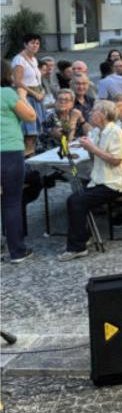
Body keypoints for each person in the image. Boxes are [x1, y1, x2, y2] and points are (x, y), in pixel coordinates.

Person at [58, 100, 122, 261]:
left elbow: (116, 160)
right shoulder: (100, 131)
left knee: (76, 200)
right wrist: (88, 148)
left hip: (116, 182)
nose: (90, 114)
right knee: (76, 196)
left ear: (103, 115)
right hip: (102, 179)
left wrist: (92, 148)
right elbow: (98, 156)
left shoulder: (115, 131)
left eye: (94, 111)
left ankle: (77, 247)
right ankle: (82, 238)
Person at [1, 59, 37, 263]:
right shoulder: (6, 93)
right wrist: (22, 96)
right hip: (8, 152)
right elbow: (31, 116)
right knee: (11, 202)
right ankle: (17, 251)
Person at [11, 33, 46, 155]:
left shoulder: (34, 59)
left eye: (37, 43)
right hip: (26, 96)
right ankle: (26, 159)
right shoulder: (19, 60)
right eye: (32, 43)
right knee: (30, 131)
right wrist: (34, 94)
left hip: (37, 95)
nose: (35, 45)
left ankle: (33, 156)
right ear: (25, 44)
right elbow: (17, 82)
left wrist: (42, 91)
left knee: (37, 130)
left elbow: (37, 78)